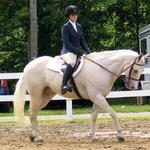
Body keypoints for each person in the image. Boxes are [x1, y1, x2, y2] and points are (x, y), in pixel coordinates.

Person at [60, 5, 90, 94]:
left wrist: (88, 52)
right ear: (69, 16)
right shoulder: (65, 27)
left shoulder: (79, 26)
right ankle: (63, 85)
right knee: (72, 62)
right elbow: (67, 44)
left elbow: (82, 41)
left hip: (78, 51)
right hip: (67, 51)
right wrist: (78, 51)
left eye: (76, 15)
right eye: (73, 15)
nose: (75, 16)